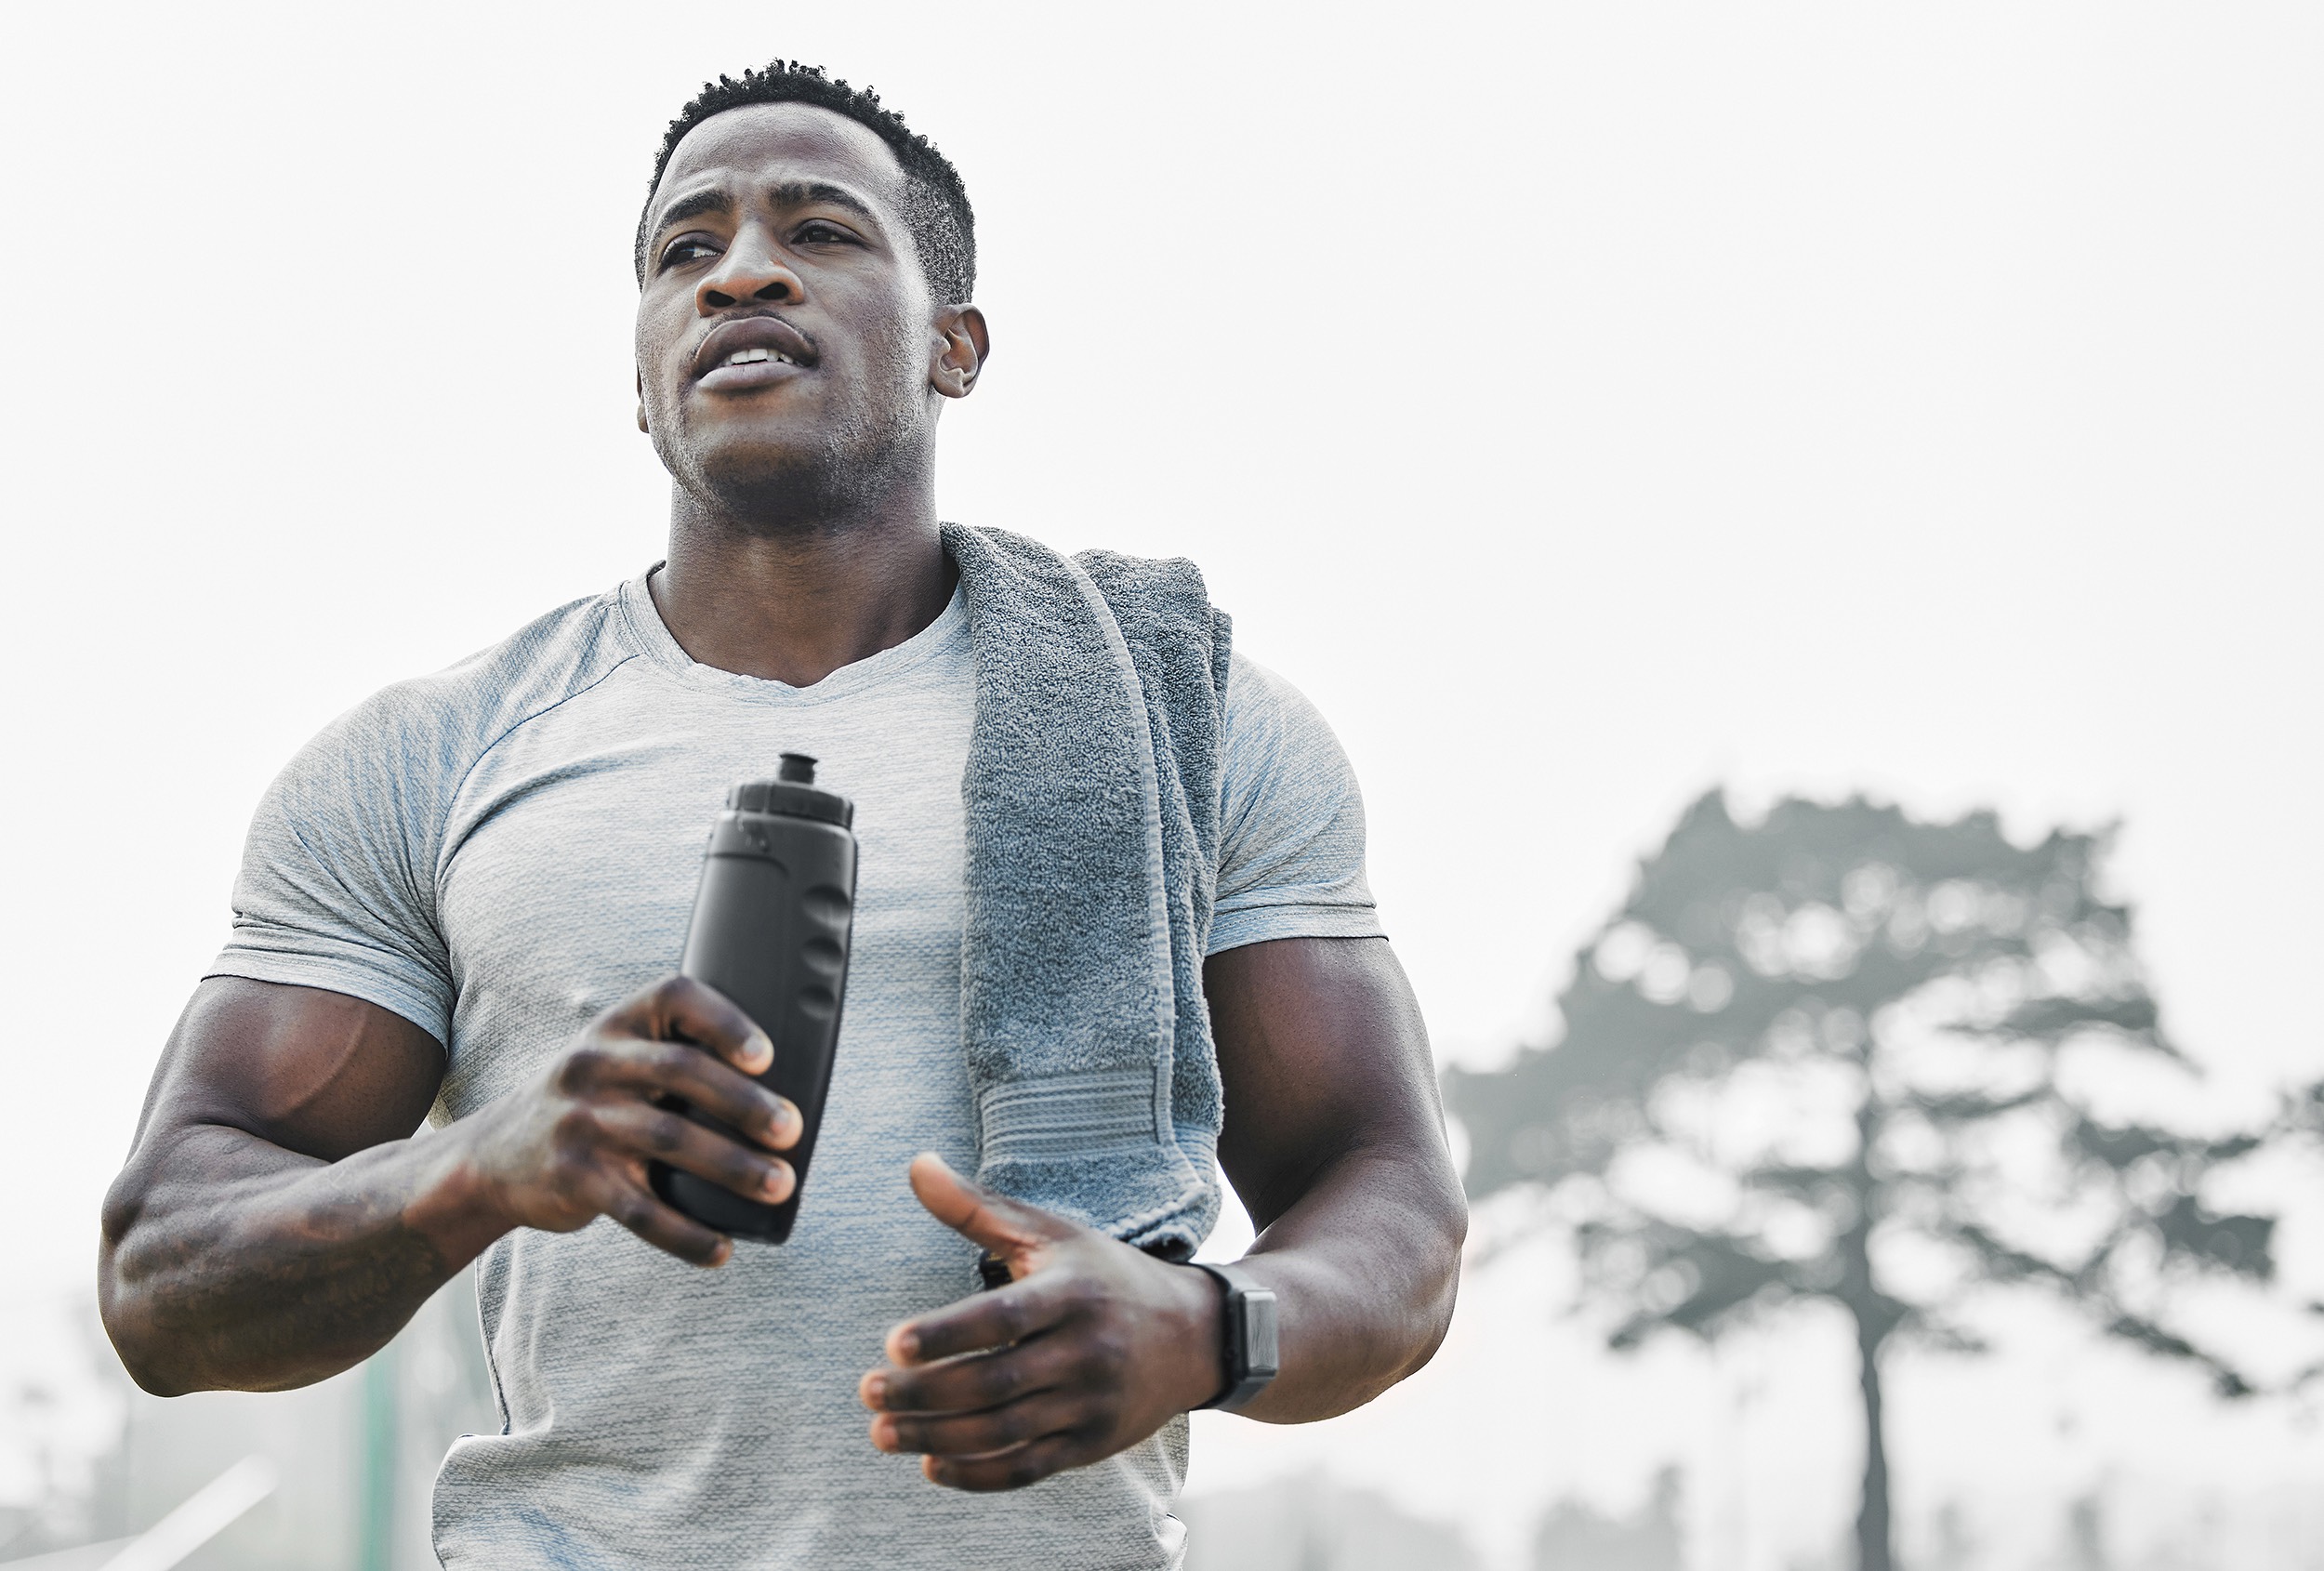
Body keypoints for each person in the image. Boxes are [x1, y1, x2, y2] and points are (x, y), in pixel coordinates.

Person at [97, 60, 1465, 1570]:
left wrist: (1210, 1324)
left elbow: (1391, 1198)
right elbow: (164, 1279)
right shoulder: (427, 761)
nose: (742, 267)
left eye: (819, 231)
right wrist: (479, 1161)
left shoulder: (1181, 726)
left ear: (956, 344)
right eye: (687, 249)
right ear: (639, 374)